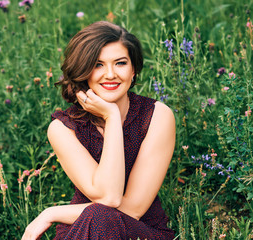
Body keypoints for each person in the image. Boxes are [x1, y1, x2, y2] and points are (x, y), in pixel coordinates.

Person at [22, 21, 176, 240]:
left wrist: (52, 213)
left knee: (100, 216)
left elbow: (129, 208)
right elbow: (107, 196)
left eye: (120, 63)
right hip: (83, 230)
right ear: (83, 72)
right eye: (98, 65)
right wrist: (111, 116)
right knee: (98, 217)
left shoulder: (156, 116)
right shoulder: (63, 128)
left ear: (133, 70)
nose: (110, 74)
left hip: (140, 231)